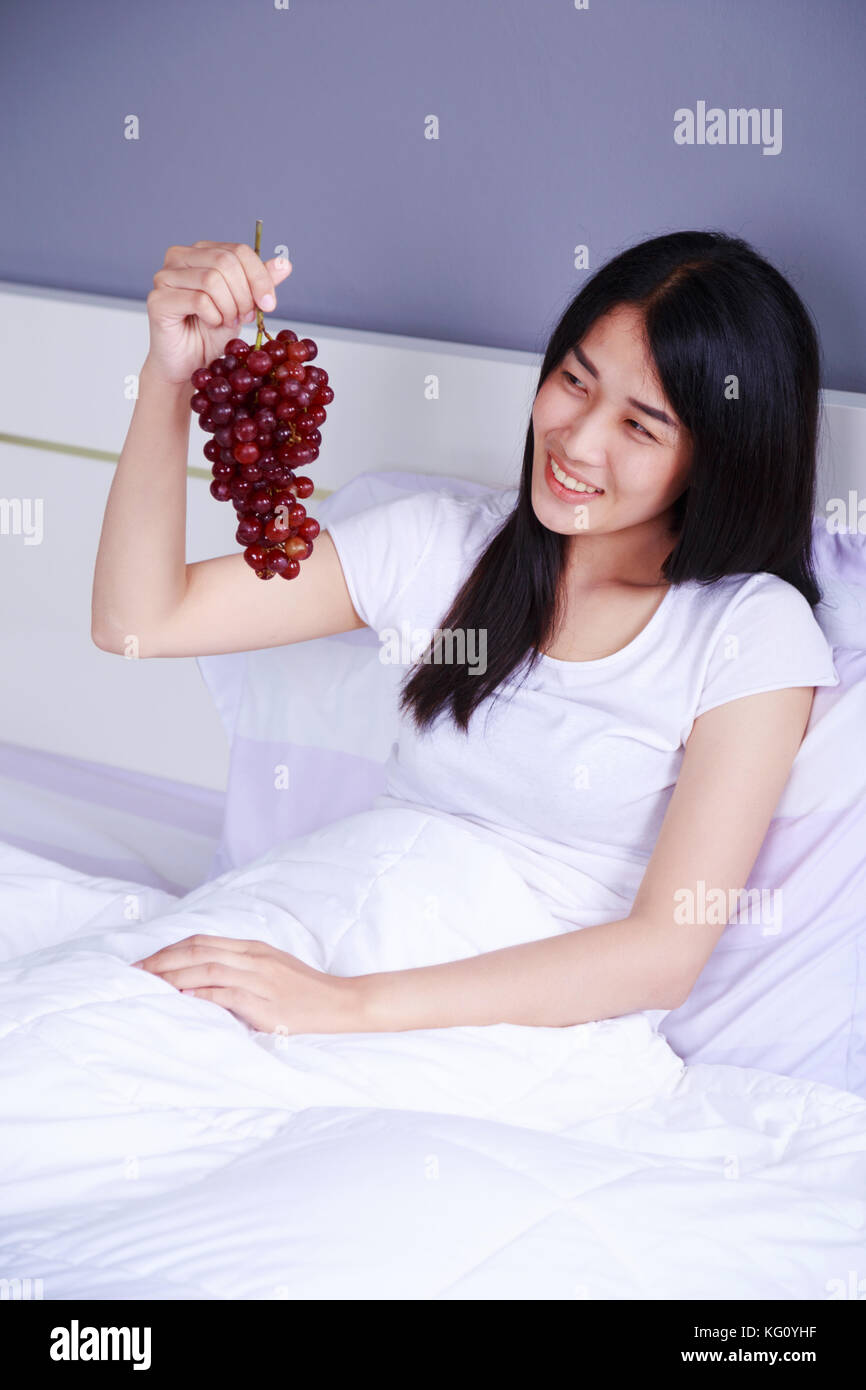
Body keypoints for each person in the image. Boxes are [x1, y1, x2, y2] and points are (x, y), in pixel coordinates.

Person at [91, 230, 838, 1036]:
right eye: (574, 381)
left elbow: (662, 955)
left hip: (486, 1024)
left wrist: (344, 1007)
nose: (579, 442)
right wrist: (171, 375)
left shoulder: (748, 629)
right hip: (320, 918)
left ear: (718, 457)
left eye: (641, 426)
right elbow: (139, 621)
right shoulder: (442, 545)